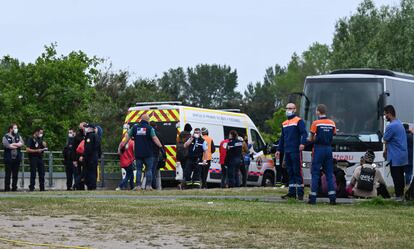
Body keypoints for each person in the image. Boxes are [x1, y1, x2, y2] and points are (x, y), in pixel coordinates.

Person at [275, 103, 307, 200]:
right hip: (287, 151)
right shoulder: (284, 123)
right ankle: (292, 192)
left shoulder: (298, 121)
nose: (288, 110)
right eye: (287, 108)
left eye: (290, 108)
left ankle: (300, 193)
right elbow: (282, 138)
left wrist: (302, 143)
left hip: (295, 150)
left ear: (294, 110)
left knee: (297, 171)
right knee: (290, 171)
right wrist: (278, 150)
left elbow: (304, 134)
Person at [125, 114, 163, 191]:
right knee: (149, 170)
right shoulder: (150, 128)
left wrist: (123, 145)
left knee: (139, 170)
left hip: (138, 153)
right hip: (148, 153)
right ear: (147, 120)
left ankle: (138, 186)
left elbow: (127, 137)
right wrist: (161, 147)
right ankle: (148, 186)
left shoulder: (135, 128)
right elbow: (155, 138)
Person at [308, 104, 336, 205]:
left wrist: (314, 139)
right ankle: (332, 198)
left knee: (315, 173)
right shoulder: (332, 123)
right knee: (329, 174)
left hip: (318, 149)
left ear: (318, 112)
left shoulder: (315, 123)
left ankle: (313, 198)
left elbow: (311, 138)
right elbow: (333, 135)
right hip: (328, 149)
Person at [383, 105, 408, 200]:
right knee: (401, 176)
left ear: (389, 114)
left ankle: (398, 196)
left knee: (396, 176)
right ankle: (401, 195)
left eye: (385, 115)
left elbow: (385, 139)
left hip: (395, 156)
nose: (385, 117)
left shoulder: (391, 126)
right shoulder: (399, 123)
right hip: (402, 155)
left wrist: (385, 151)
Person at [2, 124, 24, 191]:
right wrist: (16, 145)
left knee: (15, 174)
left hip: (17, 158)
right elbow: (7, 145)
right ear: (11, 129)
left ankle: (14, 188)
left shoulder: (18, 136)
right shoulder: (5, 136)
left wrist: (14, 144)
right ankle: (7, 188)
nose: (16, 129)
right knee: (8, 174)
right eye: (15, 128)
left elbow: (21, 143)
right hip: (9, 158)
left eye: (16, 128)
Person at [82, 124, 101, 190]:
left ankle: (91, 186)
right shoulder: (97, 136)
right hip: (95, 158)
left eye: (87, 128)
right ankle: (93, 186)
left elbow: (88, 148)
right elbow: (99, 148)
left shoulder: (90, 136)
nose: (86, 129)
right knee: (94, 172)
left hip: (90, 158)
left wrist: (85, 157)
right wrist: (98, 156)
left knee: (90, 173)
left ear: (90, 128)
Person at [176, 123, 192, 190]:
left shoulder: (179, 136)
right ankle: (183, 185)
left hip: (180, 155)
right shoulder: (190, 136)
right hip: (187, 155)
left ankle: (183, 185)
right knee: (187, 171)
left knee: (184, 169)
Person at [150, 121, 165, 190]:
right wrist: (164, 155)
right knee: (155, 171)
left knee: (149, 170)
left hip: (148, 155)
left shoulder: (147, 133)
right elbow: (162, 146)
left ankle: (147, 185)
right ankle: (155, 186)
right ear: (156, 126)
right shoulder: (158, 134)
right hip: (156, 155)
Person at [73, 122, 86, 190]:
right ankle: (78, 186)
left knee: (84, 173)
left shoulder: (87, 135)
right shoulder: (77, 137)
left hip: (85, 157)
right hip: (78, 157)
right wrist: (74, 159)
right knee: (78, 172)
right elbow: (74, 149)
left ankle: (80, 185)